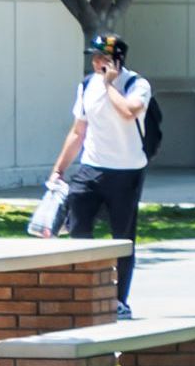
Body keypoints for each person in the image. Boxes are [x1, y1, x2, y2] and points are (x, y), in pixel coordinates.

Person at [45, 35, 154, 310]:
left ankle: (119, 300)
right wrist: (58, 171)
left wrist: (109, 85)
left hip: (127, 172)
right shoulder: (86, 85)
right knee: (78, 228)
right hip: (91, 167)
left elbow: (129, 112)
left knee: (123, 238)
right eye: (93, 57)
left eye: (102, 58)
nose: (96, 62)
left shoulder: (136, 85)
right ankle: (85, 293)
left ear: (117, 60)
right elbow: (78, 131)